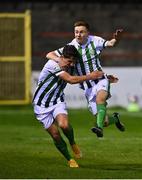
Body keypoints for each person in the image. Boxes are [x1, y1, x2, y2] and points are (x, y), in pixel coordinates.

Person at [46, 20, 125, 138]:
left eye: (82, 32)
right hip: (88, 87)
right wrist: (59, 60)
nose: (78, 34)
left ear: (88, 33)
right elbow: (49, 54)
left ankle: (98, 128)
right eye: (76, 32)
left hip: (100, 79)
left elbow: (111, 43)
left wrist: (117, 38)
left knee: (100, 99)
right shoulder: (72, 46)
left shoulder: (95, 41)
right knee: (105, 121)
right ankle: (115, 119)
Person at [33, 45, 104, 168]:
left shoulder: (71, 66)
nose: (71, 65)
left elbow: (85, 72)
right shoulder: (52, 65)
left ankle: (72, 143)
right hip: (41, 106)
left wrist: (106, 78)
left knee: (64, 125)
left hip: (57, 101)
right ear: (61, 57)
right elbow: (71, 80)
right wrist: (91, 76)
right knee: (55, 134)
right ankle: (69, 159)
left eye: (73, 62)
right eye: (69, 61)